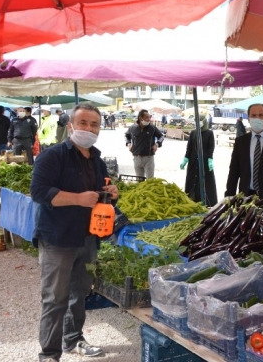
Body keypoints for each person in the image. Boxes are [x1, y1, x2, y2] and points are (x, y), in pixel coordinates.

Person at [30, 103, 119, 361]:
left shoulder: (97, 160)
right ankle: (49, 354)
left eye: (94, 124)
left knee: (79, 293)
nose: (88, 128)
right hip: (57, 238)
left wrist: (110, 193)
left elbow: (100, 197)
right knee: (55, 298)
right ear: (71, 124)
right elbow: (39, 192)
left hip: (87, 237)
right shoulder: (52, 156)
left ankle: (73, 339)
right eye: (83, 123)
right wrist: (78, 199)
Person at [180, 115, 218, 206]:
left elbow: (211, 147)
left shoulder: (209, 133)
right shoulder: (193, 133)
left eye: (200, 120)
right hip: (193, 161)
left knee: (205, 182)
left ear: (204, 121)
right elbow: (189, 148)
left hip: (204, 161)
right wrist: (185, 159)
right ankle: (192, 201)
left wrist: (210, 160)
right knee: (192, 181)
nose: (198, 122)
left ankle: (207, 203)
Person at [124, 110, 164, 179]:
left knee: (150, 181)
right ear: (140, 118)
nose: (149, 119)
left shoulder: (152, 128)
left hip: (148, 158)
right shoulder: (133, 128)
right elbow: (126, 136)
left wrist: (156, 145)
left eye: (149, 117)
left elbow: (161, 136)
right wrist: (129, 144)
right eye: (147, 118)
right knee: (139, 181)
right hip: (137, 158)